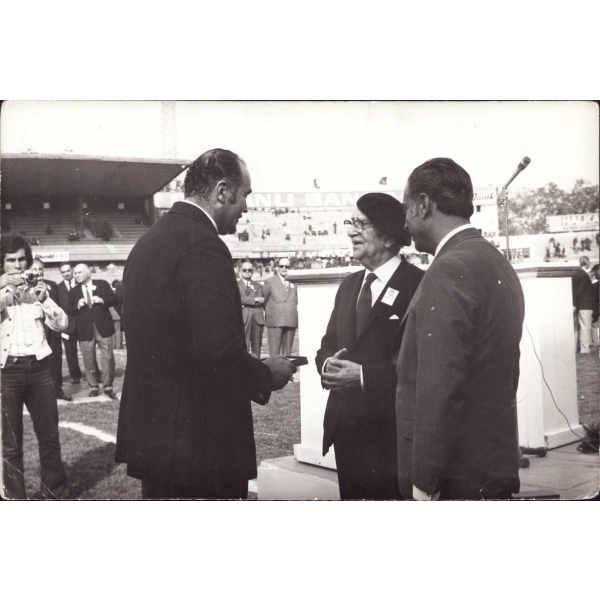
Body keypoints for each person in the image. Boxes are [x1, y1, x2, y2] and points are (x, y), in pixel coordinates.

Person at [115, 148, 296, 499]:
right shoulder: (204, 245)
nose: (246, 208)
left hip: (157, 440)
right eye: (245, 195)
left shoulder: (147, 242)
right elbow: (217, 350)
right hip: (199, 445)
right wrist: (266, 375)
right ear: (223, 191)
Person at [396, 157, 525, 500]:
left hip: (457, 477)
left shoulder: (449, 268)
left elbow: (439, 387)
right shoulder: (494, 260)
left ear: (423, 205)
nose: (404, 221)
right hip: (490, 463)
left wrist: (425, 482)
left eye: (406, 208)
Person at [315, 193, 423, 499]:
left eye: (361, 224)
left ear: (389, 237)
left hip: (390, 433)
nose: (351, 231)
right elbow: (327, 345)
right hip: (346, 430)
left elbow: (420, 363)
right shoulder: (349, 285)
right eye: (350, 223)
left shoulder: (418, 285)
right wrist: (328, 365)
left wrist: (362, 376)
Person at [1, 234, 69, 499]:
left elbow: (62, 324)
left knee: (50, 438)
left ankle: (55, 495)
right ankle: (15, 500)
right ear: (2, 263)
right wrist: (4, 288)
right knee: (11, 445)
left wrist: (45, 299)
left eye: (21, 259)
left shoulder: (38, 288)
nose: (17, 265)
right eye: (11, 260)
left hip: (40, 369)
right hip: (7, 371)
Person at [68, 263, 118, 399]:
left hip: (103, 327)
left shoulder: (102, 284)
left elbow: (114, 299)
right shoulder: (74, 291)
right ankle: (94, 386)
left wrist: (102, 300)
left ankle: (108, 386)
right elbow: (70, 309)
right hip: (85, 329)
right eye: (75, 273)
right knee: (88, 359)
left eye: (79, 272)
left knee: (108, 358)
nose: (76, 275)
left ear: (88, 273)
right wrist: (78, 305)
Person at [30, 259, 72, 401]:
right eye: (35, 269)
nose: (38, 272)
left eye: (40, 269)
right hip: (36, 330)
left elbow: (58, 307)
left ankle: (57, 389)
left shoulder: (52, 284)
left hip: (52, 331)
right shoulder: (25, 286)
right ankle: (37, 393)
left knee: (55, 361)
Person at [263, 258, 299, 356]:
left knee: (287, 354)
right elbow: (264, 299)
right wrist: (272, 312)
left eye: (287, 266)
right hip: (275, 320)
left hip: (290, 319)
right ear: (277, 267)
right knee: (274, 354)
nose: (284, 268)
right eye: (281, 266)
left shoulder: (294, 282)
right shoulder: (270, 281)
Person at [57, 263, 83, 385]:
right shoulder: (58, 288)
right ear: (61, 273)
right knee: (70, 352)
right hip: (67, 326)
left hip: (82, 323)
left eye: (68, 271)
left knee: (88, 350)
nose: (66, 273)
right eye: (63, 272)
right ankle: (75, 375)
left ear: (72, 270)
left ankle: (94, 374)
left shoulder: (80, 284)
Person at [237, 261, 265, 357]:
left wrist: (247, 301)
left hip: (257, 318)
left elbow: (261, 300)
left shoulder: (258, 285)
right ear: (240, 271)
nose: (247, 272)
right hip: (243, 317)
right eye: (244, 270)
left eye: (249, 270)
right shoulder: (236, 284)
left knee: (257, 347)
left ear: (253, 271)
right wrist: (254, 299)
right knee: (243, 345)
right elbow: (238, 299)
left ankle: (257, 365)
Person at [571, 255, 595, 354]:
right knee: (585, 327)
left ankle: (574, 348)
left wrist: (574, 304)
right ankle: (584, 349)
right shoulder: (584, 275)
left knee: (576, 328)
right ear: (587, 262)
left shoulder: (576, 274)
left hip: (578, 305)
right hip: (585, 305)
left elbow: (575, 291)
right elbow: (581, 291)